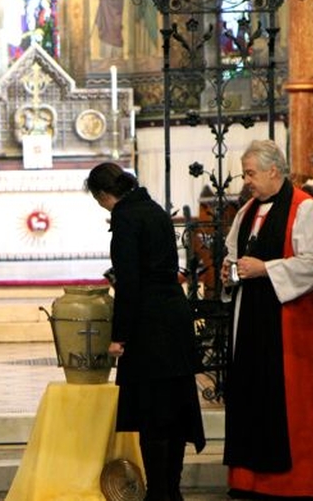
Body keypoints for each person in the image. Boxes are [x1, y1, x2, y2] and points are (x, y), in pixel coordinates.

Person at [220, 139, 313, 499]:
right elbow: (232, 254)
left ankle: (297, 484)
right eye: (245, 174)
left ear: (274, 170)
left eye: (251, 173)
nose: (247, 181)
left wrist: (264, 268)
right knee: (250, 399)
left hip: (290, 326)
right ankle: (249, 481)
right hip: (251, 319)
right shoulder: (245, 212)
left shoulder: (305, 208)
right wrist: (232, 273)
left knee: (291, 406)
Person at [85, 162, 205, 501]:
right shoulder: (153, 209)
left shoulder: (125, 216)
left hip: (149, 325)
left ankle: (158, 493)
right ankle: (172, 490)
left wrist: (119, 335)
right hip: (174, 317)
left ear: (105, 195)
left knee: (153, 415)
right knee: (175, 412)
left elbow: (130, 282)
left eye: (99, 201)